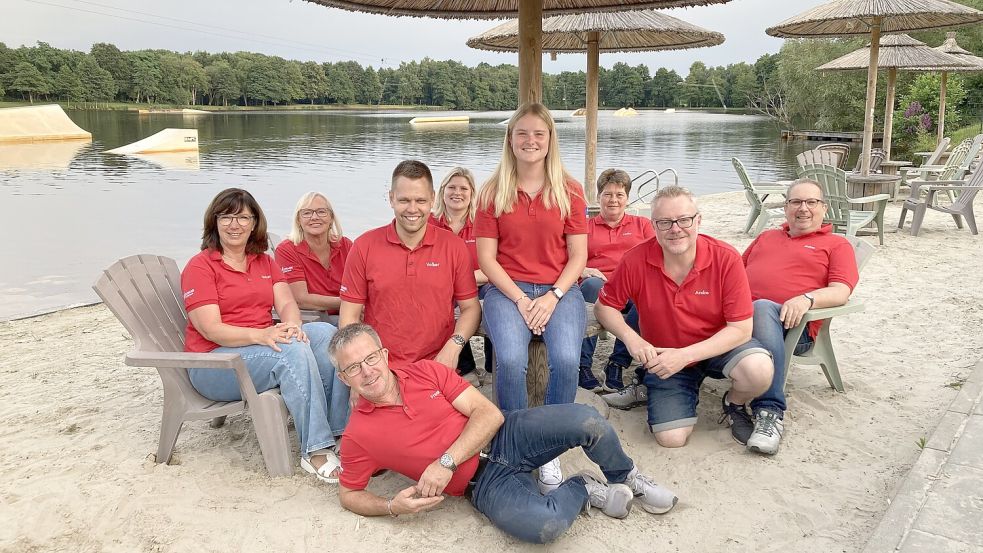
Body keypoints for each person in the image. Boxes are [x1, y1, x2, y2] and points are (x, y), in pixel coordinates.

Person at [330, 323, 678, 544]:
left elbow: (488, 413)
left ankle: (628, 478)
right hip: (482, 485)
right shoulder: (359, 434)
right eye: (353, 367)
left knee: (588, 421)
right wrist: (392, 506)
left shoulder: (425, 372)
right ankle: (584, 487)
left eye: (371, 358)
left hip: (508, 434)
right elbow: (349, 493)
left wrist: (445, 462)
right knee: (546, 525)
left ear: (384, 355)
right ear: (344, 378)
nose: (367, 371)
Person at [181, 188, 349, 482]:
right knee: (290, 351)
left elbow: (286, 302)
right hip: (214, 363)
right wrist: (263, 335)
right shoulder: (201, 266)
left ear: (255, 222)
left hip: (259, 347)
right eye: (227, 217)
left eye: (243, 217)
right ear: (215, 222)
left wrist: (293, 325)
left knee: (324, 333)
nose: (235, 225)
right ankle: (316, 450)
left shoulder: (263, 262)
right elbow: (211, 329)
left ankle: (339, 432)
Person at [594, 185, 774, 449]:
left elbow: (740, 329)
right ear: (653, 225)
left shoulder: (726, 258)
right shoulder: (635, 259)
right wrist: (632, 340)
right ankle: (655, 389)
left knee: (758, 370)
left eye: (684, 220)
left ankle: (733, 403)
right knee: (671, 439)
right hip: (666, 355)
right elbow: (604, 307)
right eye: (665, 222)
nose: (675, 229)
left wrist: (686, 355)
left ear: (698, 220)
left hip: (717, 348)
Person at [475, 103, 588, 492]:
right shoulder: (492, 192)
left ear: (550, 139)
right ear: (510, 139)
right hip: (508, 291)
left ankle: (550, 446)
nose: (530, 140)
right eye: (522, 133)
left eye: (539, 133)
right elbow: (486, 259)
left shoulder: (570, 189)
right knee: (508, 358)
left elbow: (578, 255)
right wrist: (522, 301)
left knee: (567, 358)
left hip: (560, 289)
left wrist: (553, 296)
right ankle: (512, 437)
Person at [741, 178, 859, 455]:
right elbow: (734, 271)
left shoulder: (836, 245)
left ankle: (769, 410)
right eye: (796, 202)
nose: (803, 208)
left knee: (762, 307)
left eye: (811, 202)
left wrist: (807, 298)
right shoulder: (767, 237)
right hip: (737, 318)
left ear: (824, 208)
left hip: (792, 327)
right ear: (786, 207)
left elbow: (841, 291)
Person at [339, 160, 481, 373]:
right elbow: (349, 317)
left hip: (438, 366)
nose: (412, 209)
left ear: (433, 198)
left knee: (485, 408)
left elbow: (470, 308)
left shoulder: (453, 246)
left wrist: (454, 346)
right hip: (381, 369)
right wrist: (362, 368)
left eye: (420, 200)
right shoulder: (364, 246)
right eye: (404, 200)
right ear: (391, 198)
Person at [578, 168, 654, 394]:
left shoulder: (642, 225)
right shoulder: (585, 227)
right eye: (607, 194)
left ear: (627, 199)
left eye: (619, 195)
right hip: (600, 287)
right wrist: (584, 268)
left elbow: (657, 258)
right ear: (599, 197)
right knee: (591, 285)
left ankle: (617, 363)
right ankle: (582, 365)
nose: (613, 200)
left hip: (632, 288)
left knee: (648, 295)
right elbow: (566, 259)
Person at [430, 167, 490, 379]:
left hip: (482, 285)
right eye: (452, 187)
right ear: (442, 192)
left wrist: (463, 280)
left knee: (493, 300)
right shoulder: (428, 223)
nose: (457, 192)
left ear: (472, 193)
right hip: (442, 288)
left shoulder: (482, 223)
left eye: (463, 188)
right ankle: (463, 365)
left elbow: (495, 266)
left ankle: (492, 366)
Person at [274, 192, 352, 321]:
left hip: (349, 312)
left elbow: (363, 284)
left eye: (321, 212)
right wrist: (349, 302)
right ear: (298, 220)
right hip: (314, 318)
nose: (314, 217)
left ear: (331, 218)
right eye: (307, 213)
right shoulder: (287, 250)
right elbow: (300, 299)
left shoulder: (345, 245)